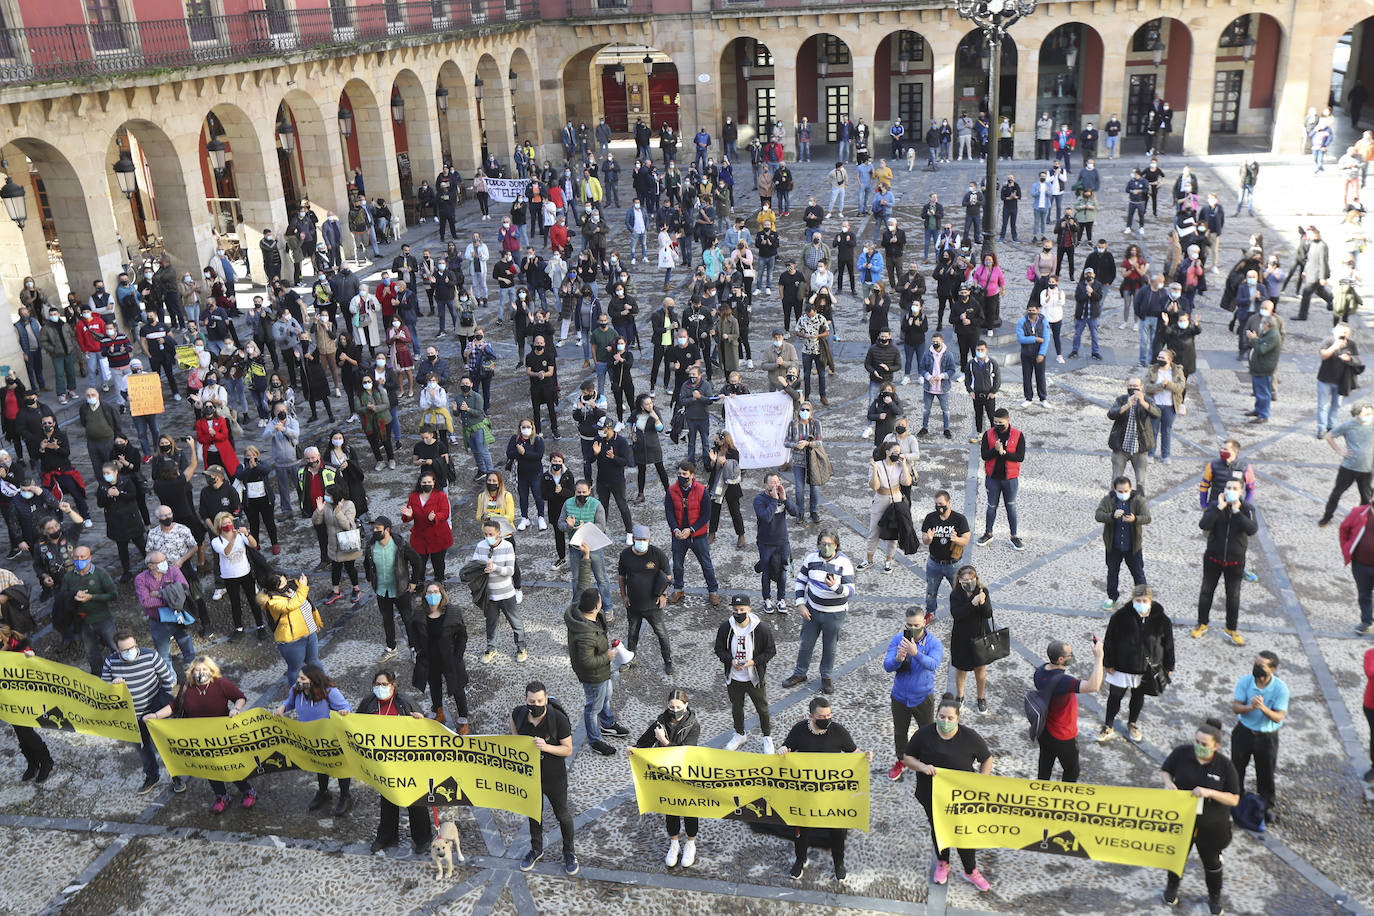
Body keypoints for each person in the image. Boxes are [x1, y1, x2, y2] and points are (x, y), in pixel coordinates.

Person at [903, 693, 993, 890]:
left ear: (958, 719)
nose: (945, 721)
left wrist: (982, 781)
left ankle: (970, 870)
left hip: (962, 797)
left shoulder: (969, 737)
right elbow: (907, 758)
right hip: (932, 795)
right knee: (939, 830)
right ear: (936, 715)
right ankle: (943, 863)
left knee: (963, 833)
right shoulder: (923, 735)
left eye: (950, 718)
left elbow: (987, 758)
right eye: (942, 717)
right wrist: (921, 766)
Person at [778, 696, 872, 882]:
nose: (826, 719)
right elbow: (786, 748)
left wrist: (866, 756)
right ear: (811, 716)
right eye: (821, 716)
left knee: (837, 828)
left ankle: (839, 862)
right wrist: (782, 750)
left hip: (831, 792)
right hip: (805, 791)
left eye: (829, 715)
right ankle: (800, 859)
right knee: (801, 827)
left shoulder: (838, 731)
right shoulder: (799, 730)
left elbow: (854, 753)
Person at [1160, 718, 1240, 914]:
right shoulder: (1181, 753)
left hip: (1211, 827)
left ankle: (1214, 897)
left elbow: (1234, 799)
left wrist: (1210, 793)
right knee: (1176, 857)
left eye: (1204, 744)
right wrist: (1168, 783)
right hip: (1182, 821)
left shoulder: (1225, 766)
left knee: (1212, 864)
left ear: (1216, 746)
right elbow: (1165, 770)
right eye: (1196, 741)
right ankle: (1172, 887)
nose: (1198, 746)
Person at [358, 669, 432, 855]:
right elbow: (356, 725)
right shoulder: (368, 703)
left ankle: (422, 838)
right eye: (377, 684)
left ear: (393, 685)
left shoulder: (405, 703)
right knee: (388, 800)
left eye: (384, 684)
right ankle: (386, 835)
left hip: (408, 763)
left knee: (415, 801)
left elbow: (425, 733)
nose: (380, 688)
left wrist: (420, 721)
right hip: (383, 763)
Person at [627, 688, 702, 867]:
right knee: (671, 808)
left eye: (678, 706)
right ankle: (674, 843)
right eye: (671, 706)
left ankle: (691, 843)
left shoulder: (693, 725)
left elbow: (685, 752)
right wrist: (634, 749)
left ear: (686, 705)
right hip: (666, 776)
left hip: (686, 775)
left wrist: (664, 741)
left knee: (690, 810)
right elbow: (644, 742)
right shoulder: (661, 722)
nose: (674, 710)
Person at [513, 681, 578, 876]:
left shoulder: (558, 719)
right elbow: (514, 740)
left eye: (540, 700)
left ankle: (569, 852)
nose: (536, 704)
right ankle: (536, 849)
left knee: (562, 815)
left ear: (546, 699)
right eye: (532, 701)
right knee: (533, 814)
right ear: (526, 700)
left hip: (554, 776)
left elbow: (568, 749)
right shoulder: (518, 715)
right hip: (531, 776)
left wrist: (546, 747)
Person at [101, 628, 178, 794]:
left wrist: (163, 705)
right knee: (143, 749)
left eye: (132, 647)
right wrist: (113, 686)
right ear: (117, 649)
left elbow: (167, 679)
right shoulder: (110, 662)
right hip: (131, 716)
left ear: (136, 643)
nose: (130, 652)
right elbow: (104, 690)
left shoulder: (150, 655)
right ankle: (152, 776)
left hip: (155, 711)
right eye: (125, 650)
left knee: (166, 745)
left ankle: (176, 775)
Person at [783, 530, 856, 694]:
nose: (826, 547)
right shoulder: (811, 559)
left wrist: (835, 587)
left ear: (836, 545)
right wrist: (800, 604)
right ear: (818, 545)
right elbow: (801, 581)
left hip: (835, 613)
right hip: (812, 610)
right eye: (823, 544)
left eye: (830, 544)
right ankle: (800, 673)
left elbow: (850, 590)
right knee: (806, 643)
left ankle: (826, 676)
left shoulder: (844, 563)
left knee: (829, 646)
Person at [178, 655, 254, 812]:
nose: (200, 672)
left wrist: (236, 709)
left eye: (204, 669)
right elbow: (173, 706)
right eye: (197, 670)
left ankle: (247, 791)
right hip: (200, 737)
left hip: (222, 735)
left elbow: (240, 697)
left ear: (212, 671)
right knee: (210, 768)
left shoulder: (221, 684)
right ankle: (221, 796)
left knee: (230, 765)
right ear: (191, 672)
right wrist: (156, 716)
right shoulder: (186, 687)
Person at [276, 663, 353, 814]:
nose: (298, 680)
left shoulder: (330, 692)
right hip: (311, 738)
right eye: (298, 677)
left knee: (339, 766)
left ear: (313, 680)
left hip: (331, 738)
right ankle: (323, 792)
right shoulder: (296, 690)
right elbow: (290, 703)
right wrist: (283, 708)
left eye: (302, 678)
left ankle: (345, 796)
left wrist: (344, 712)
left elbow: (346, 707)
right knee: (320, 765)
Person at [1195, 477, 1259, 646]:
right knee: (1206, 592)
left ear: (1241, 492)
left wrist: (1237, 513)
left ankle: (1231, 628)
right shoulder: (1215, 505)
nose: (1231, 490)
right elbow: (1204, 525)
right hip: (1213, 558)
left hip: (1235, 561)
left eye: (1234, 488)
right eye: (1228, 487)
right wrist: (1218, 509)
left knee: (1233, 596)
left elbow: (1252, 529)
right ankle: (1202, 623)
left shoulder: (1247, 508)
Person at [566, 587, 629, 756]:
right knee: (593, 707)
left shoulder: (580, 610)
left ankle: (607, 724)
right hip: (594, 675)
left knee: (605, 697)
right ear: (596, 606)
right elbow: (586, 661)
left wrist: (586, 560)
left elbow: (582, 581)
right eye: (600, 599)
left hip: (602, 672)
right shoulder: (586, 634)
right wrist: (607, 657)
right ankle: (595, 740)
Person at [883, 608, 943, 781]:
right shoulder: (898, 639)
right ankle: (901, 760)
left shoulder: (934, 643)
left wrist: (915, 653)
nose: (913, 627)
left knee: (927, 732)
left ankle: (927, 761)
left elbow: (933, 664)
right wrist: (898, 659)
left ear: (924, 622)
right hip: (900, 696)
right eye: (909, 625)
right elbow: (887, 666)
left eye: (916, 624)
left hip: (923, 697)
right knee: (900, 732)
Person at [1034, 636, 1105, 782]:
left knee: (1045, 765)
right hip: (1062, 734)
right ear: (1060, 660)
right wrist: (1099, 658)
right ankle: (1065, 797)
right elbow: (1094, 686)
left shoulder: (1040, 671)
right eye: (1069, 655)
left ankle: (1040, 790)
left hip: (1044, 730)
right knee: (1072, 770)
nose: (1072, 656)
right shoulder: (1063, 682)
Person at [1231, 650, 1288, 815]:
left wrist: (1263, 708)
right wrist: (1251, 707)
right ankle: (1235, 798)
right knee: (1236, 767)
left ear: (1272, 669)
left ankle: (1266, 805)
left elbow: (1278, 717)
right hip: (1244, 732)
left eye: (1261, 666)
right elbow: (1236, 707)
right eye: (1256, 664)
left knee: (1266, 772)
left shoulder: (1280, 689)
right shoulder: (1246, 681)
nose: (1256, 668)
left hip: (1266, 737)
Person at [414, 581, 470, 733]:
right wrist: (418, 649)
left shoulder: (453, 612)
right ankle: (438, 712)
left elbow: (462, 636)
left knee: (457, 688)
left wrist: (458, 656)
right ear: (425, 596)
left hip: (450, 658)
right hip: (430, 658)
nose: (433, 595)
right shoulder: (419, 614)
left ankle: (463, 719)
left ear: (442, 594)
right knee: (434, 686)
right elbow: (414, 633)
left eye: (436, 592)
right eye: (430, 592)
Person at [2, 624, 53, 782]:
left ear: (5, 638)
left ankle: (45, 761)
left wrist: (30, 658)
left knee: (26, 733)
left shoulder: (19, 649)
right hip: (7, 698)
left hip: (23, 698)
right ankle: (32, 763)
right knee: (20, 734)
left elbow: (31, 670)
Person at [618, 525, 673, 673]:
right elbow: (621, 577)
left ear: (649, 539)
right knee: (632, 633)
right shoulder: (625, 555)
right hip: (633, 605)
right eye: (639, 539)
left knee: (661, 633)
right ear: (633, 539)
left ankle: (668, 661)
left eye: (645, 539)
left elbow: (667, 577)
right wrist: (624, 596)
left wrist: (663, 595)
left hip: (653, 605)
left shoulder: (658, 554)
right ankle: (630, 659)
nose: (642, 542)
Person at [134, 550, 197, 678]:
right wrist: (171, 597)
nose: (165, 564)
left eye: (165, 560)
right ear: (151, 565)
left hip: (177, 617)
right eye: (161, 562)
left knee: (188, 649)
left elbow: (183, 590)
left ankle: (194, 673)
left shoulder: (173, 571)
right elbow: (146, 602)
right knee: (163, 654)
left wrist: (159, 594)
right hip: (157, 621)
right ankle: (171, 678)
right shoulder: (140, 579)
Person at [664, 462, 719, 605]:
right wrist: (675, 529)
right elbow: (669, 512)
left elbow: (706, 515)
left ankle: (713, 591)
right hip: (679, 535)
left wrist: (691, 529)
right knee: (677, 565)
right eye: (679, 474)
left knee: (706, 564)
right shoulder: (671, 490)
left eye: (684, 474)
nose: (681, 476)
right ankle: (678, 590)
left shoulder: (702, 490)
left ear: (692, 475)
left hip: (697, 536)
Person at [475, 517, 526, 664]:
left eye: (491, 534)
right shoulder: (480, 546)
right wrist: (480, 569)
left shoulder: (507, 547)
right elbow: (474, 564)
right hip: (489, 594)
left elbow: (510, 570)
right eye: (485, 534)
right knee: (491, 622)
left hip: (506, 593)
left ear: (499, 533)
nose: (488, 537)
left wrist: (495, 568)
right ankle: (491, 647)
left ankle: (521, 646)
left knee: (515, 621)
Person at [1095, 476, 1150, 611]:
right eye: (1120, 491)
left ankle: (1142, 600)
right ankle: (1112, 597)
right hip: (1114, 546)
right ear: (1115, 489)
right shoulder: (1109, 500)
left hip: (1133, 546)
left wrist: (1135, 519)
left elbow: (1147, 517)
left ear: (1130, 489)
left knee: (1138, 573)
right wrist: (1111, 516)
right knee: (1112, 572)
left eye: (1126, 490)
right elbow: (1098, 515)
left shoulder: (1138, 500)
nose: (1123, 493)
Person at [260, 572, 325, 685]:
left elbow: (307, 604)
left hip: (309, 633)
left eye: (285, 581)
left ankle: (324, 685)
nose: (286, 585)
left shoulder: (294, 586)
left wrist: (314, 623)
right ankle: (296, 696)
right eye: (282, 584)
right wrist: (303, 587)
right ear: (273, 588)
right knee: (295, 669)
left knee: (314, 661)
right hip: (292, 641)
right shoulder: (272, 602)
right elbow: (291, 605)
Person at [860, 438, 912, 573]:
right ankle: (869, 559)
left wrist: (905, 465)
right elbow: (875, 486)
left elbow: (906, 482)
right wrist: (875, 470)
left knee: (893, 532)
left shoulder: (899, 465)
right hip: (881, 498)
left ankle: (888, 561)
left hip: (896, 499)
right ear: (888, 452)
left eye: (899, 452)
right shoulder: (877, 465)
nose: (897, 454)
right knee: (874, 531)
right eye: (895, 452)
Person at [67, 544, 120, 675]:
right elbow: (63, 597)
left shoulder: (101, 574)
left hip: (104, 619)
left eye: (82, 557)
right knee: (91, 652)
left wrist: (92, 597)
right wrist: (73, 597)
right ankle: (98, 676)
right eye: (76, 558)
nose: (79, 560)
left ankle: (123, 672)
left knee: (115, 647)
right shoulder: (68, 577)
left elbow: (114, 595)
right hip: (83, 622)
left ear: (90, 558)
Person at [1320, 402, 1374, 526]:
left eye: (1371, 413)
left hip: (1366, 469)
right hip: (1348, 468)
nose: (1369, 415)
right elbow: (1329, 436)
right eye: (1366, 413)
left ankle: (1363, 521)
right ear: (1357, 414)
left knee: (1366, 498)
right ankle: (1327, 517)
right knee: (1337, 493)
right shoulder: (1349, 426)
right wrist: (1339, 451)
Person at [754, 472, 799, 615]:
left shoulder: (782, 496)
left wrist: (785, 499)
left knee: (783, 572)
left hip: (782, 542)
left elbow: (795, 512)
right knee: (766, 571)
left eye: (777, 481)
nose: (776, 485)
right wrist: (774, 500)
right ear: (765, 485)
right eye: (772, 482)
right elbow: (766, 517)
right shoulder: (759, 500)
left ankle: (781, 599)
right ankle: (767, 599)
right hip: (766, 542)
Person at [921, 491, 970, 619]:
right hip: (934, 563)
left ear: (949, 502)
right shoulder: (930, 518)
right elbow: (924, 539)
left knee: (959, 591)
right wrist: (929, 538)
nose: (939, 507)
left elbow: (966, 540)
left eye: (941, 504)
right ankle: (930, 613)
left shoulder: (959, 519)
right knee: (931, 590)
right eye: (936, 504)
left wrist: (956, 539)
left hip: (954, 564)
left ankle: (961, 613)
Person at [1107, 377, 1158, 494]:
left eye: (1135, 386)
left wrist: (1143, 403)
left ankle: (1139, 504)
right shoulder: (1121, 399)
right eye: (1130, 386)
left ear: (1141, 387)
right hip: (1121, 447)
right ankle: (1113, 501)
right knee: (1116, 478)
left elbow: (1157, 413)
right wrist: (1127, 405)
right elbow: (1111, 414)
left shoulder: (1147, 400)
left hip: (1140, 448)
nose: (1133, 389)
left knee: (1140, 481)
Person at [401, 470, 452, 581]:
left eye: (429, 482)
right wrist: (409, 515)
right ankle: (419, 583)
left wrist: (435, 517)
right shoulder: (413, 497)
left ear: (434, 483)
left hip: (437, 536)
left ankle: (439, 581)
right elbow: (409, 514)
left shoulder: (441, 496)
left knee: (438, 562)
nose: (426, 484)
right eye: (424, 482)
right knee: (419, 562)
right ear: (420, 483)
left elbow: (445, 513)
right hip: (420, 537)